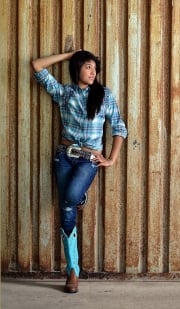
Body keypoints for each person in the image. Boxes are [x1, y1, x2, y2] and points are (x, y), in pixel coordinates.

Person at [31, 50, 128, 293]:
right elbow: (37, 66)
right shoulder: (65, 93)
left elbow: (119, 128)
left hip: (89, 161)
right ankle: (73, 271)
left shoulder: (104, 95)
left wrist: (111, 159)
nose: (93, 71)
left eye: (95, 67)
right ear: (77, 69)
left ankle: (79, 195)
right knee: (66, 213)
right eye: (87, 66)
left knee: (72, 197)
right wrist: (70, 55)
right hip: (64, 157)